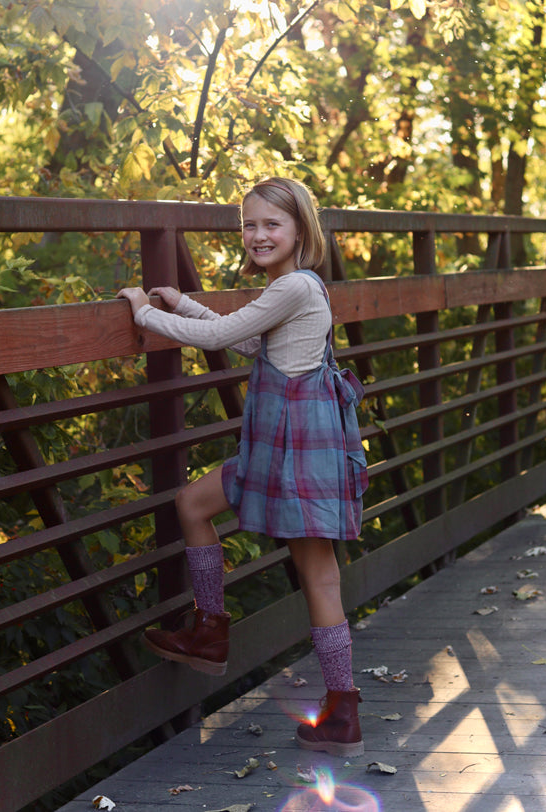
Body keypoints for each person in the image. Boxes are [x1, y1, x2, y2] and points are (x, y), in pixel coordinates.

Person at [117, 176, 368, 757]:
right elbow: (254, 346)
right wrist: (183, 303)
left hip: (293, 451)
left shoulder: (295, 286)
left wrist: (144, 314)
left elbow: (227, 332)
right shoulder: (293, 288)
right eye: (248, 225)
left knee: (315, 572)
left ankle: (331, 704)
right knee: (201, 508)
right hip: (287, 449)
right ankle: (219, 637)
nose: (257, 235)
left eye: (270, 224)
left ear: (301, 230)